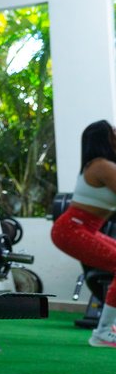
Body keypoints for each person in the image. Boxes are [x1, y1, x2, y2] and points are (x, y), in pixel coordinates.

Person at [49, 120, 116, 348]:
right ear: (104, 139)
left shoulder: (102, 165)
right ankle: (103, 332)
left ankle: (107, 329)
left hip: (83, 228)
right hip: (71, 229)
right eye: (113, 132)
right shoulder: (102, 166)